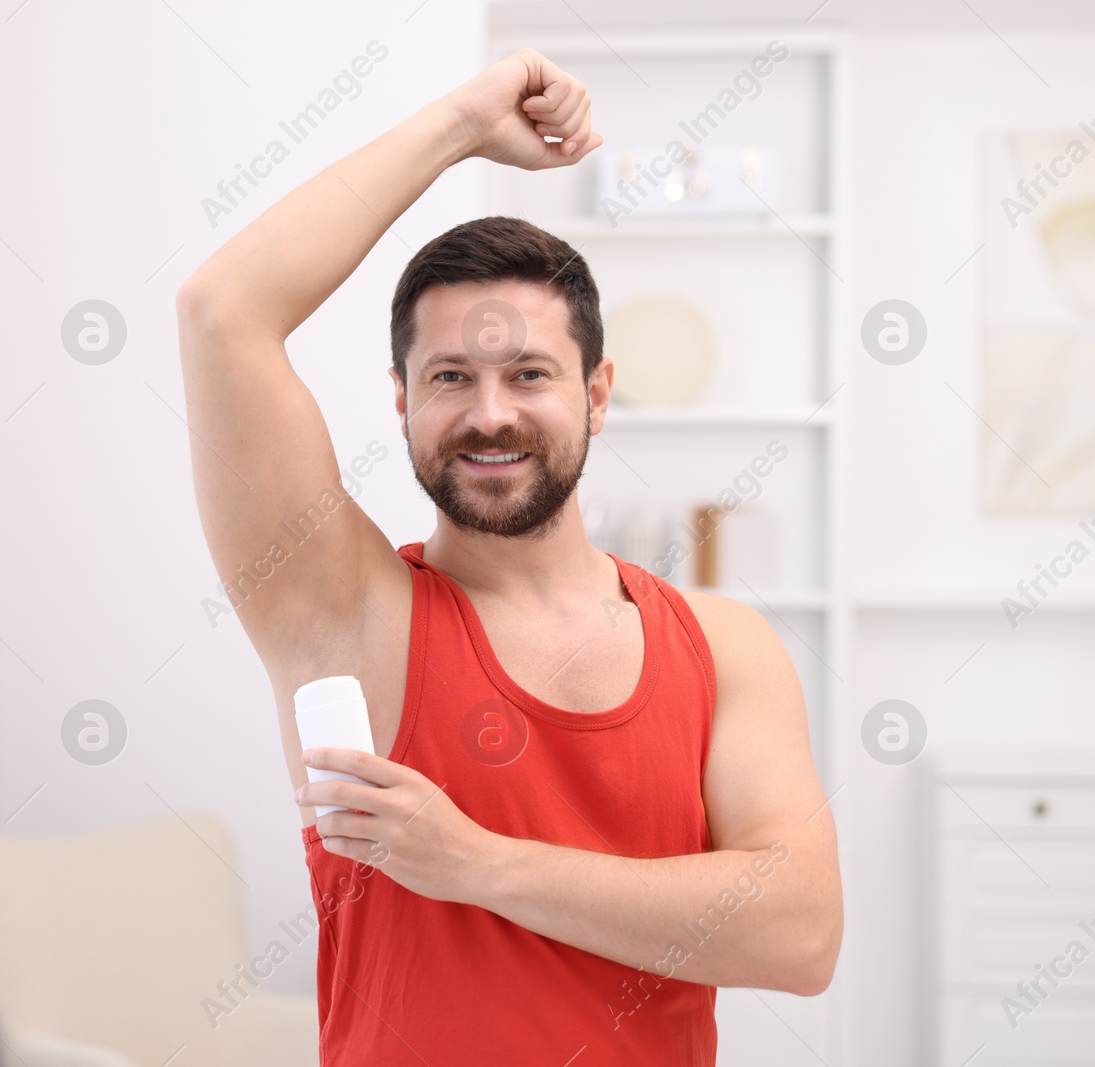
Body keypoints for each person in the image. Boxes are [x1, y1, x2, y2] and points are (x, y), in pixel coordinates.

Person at [173, 47, 842, 1065]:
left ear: (597, 394)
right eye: (450, 375)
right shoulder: (346, 611)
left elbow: (798, 934)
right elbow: (222, 311)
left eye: (528, 371)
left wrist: (477, 863)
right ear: (401, 400)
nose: (489, 414)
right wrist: (458, 126)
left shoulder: (723, 646)